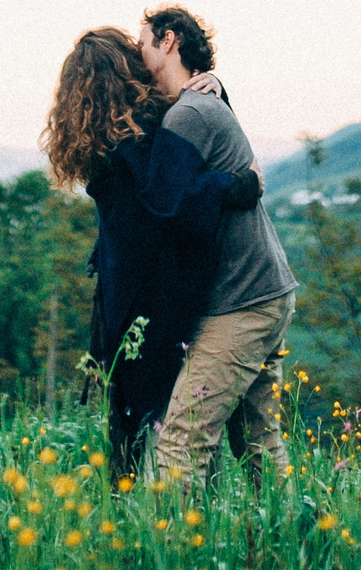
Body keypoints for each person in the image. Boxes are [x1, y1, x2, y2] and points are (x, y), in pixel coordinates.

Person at [42, 27, 263, 473]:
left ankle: (143, 522)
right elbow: (180, 197)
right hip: (156, 295)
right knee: (178, 423)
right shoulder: (137, 134)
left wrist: (213, 87)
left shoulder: (101, 139)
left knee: (139, 423)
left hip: (120, 296)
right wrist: (245, 183)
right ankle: (184, 525)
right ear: (124, 69)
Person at [138, 5, 298, 485]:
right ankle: (292, 544)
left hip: (242, 303)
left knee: (181, 442)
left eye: (142, 41)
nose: (136, 51)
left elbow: (170, 211)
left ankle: (170, 549)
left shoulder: (188, 114)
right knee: (258, 439)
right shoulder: (200, 105)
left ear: (168, 42)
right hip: (266, 292)